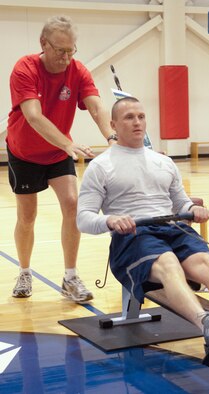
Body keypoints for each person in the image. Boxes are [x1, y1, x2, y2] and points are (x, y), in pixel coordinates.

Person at [76, 96, 209, 351]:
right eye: (129, 117)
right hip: (134, 236)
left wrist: (193, 209)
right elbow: (83, 218)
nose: (137, 122)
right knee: (168, 263)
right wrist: (111, 220)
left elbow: (181, 203)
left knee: (207, 265)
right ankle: (207, 324)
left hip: (172, 229)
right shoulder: (100, 166)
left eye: (141, 117)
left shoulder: (163, 162)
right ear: (113, 124)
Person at [6, 15, 117, 303]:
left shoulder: (78, 71)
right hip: (25, 153)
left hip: (57, 153)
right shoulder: (25, 68)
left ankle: (70, 277)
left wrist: (112, 138)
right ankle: (25, 272)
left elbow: (96, 106)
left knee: (73, 205)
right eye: (60, 51)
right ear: (43, 43)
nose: (67, 58)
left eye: (71, 51)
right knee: (27, 217)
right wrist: (69, 143)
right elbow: (33, 116)